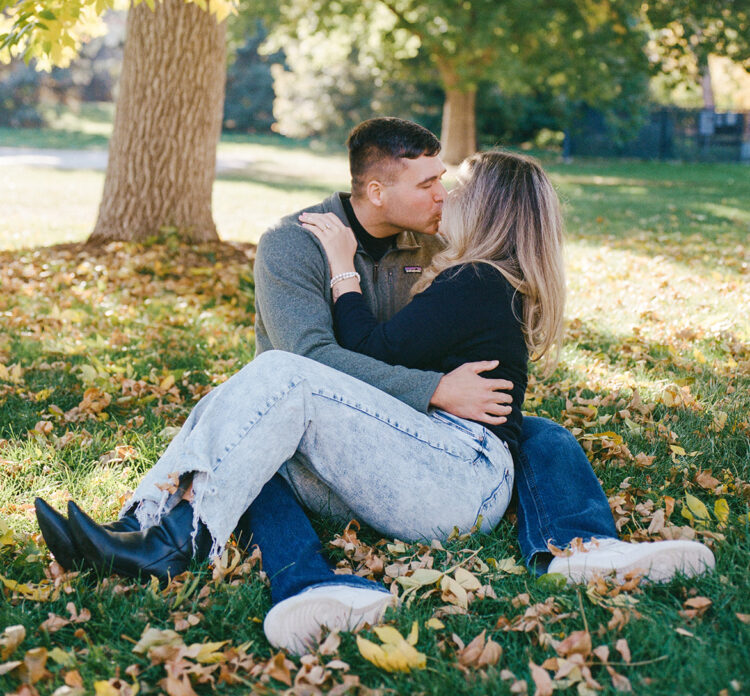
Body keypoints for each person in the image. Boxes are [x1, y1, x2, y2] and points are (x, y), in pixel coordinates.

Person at [35, 119, 714, 654]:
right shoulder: (443, 270)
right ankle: (189, 544)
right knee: (253, 435)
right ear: (376, 191)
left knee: (276, 381)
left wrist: (345, 274)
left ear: (486, 211)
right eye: (432, 184)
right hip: (428, 456)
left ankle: (154, 531)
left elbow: (351, 354)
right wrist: (434, 389)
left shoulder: (468, 276)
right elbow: (341, 358)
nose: (443, 195)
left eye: (454, 186)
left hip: (453, 470)